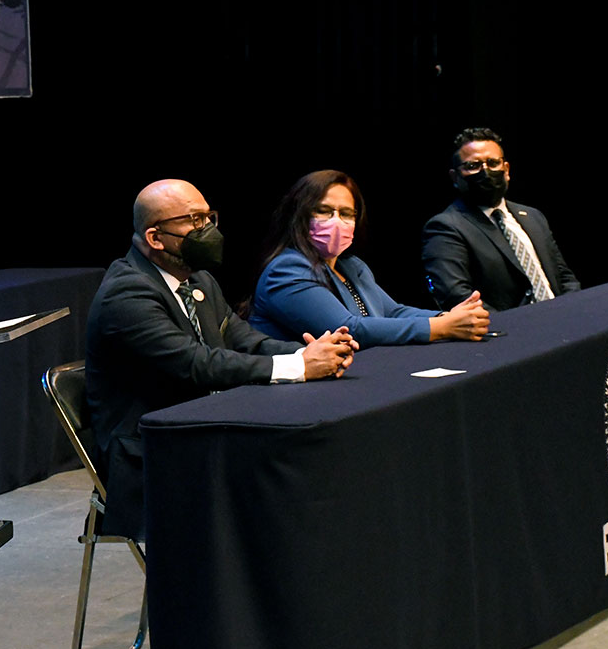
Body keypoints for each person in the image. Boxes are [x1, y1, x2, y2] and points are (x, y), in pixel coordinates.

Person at [85, 179, 357, 539]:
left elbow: (241, 339)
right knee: (281, 481)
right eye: (194, 221)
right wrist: (301, 367)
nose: (208, 230)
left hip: (204, 433)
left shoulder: (199, 280)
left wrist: (306, 352)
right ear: (155, 238)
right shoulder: (127, 292)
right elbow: (197, 364)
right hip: (149, 456)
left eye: (208, 217)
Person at [250, 170, 490, 347]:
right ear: (299, 216)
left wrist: (451, 317)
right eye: (324, 211)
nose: (336, 221)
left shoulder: (352, 266)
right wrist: (442, 327)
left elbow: (393, 312)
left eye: (346, 214)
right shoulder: (286, 269)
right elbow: (350, 329)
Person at [422, 127, 580, 312]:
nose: (485, 172)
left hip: (565, 322)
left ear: (506, 170)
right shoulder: (445, 227)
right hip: (511, 332)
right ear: (455, 177)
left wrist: (573, 308)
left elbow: (562, 275)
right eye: (473, 166)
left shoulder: (533, 216)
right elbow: (457, 297)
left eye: (493, 163)